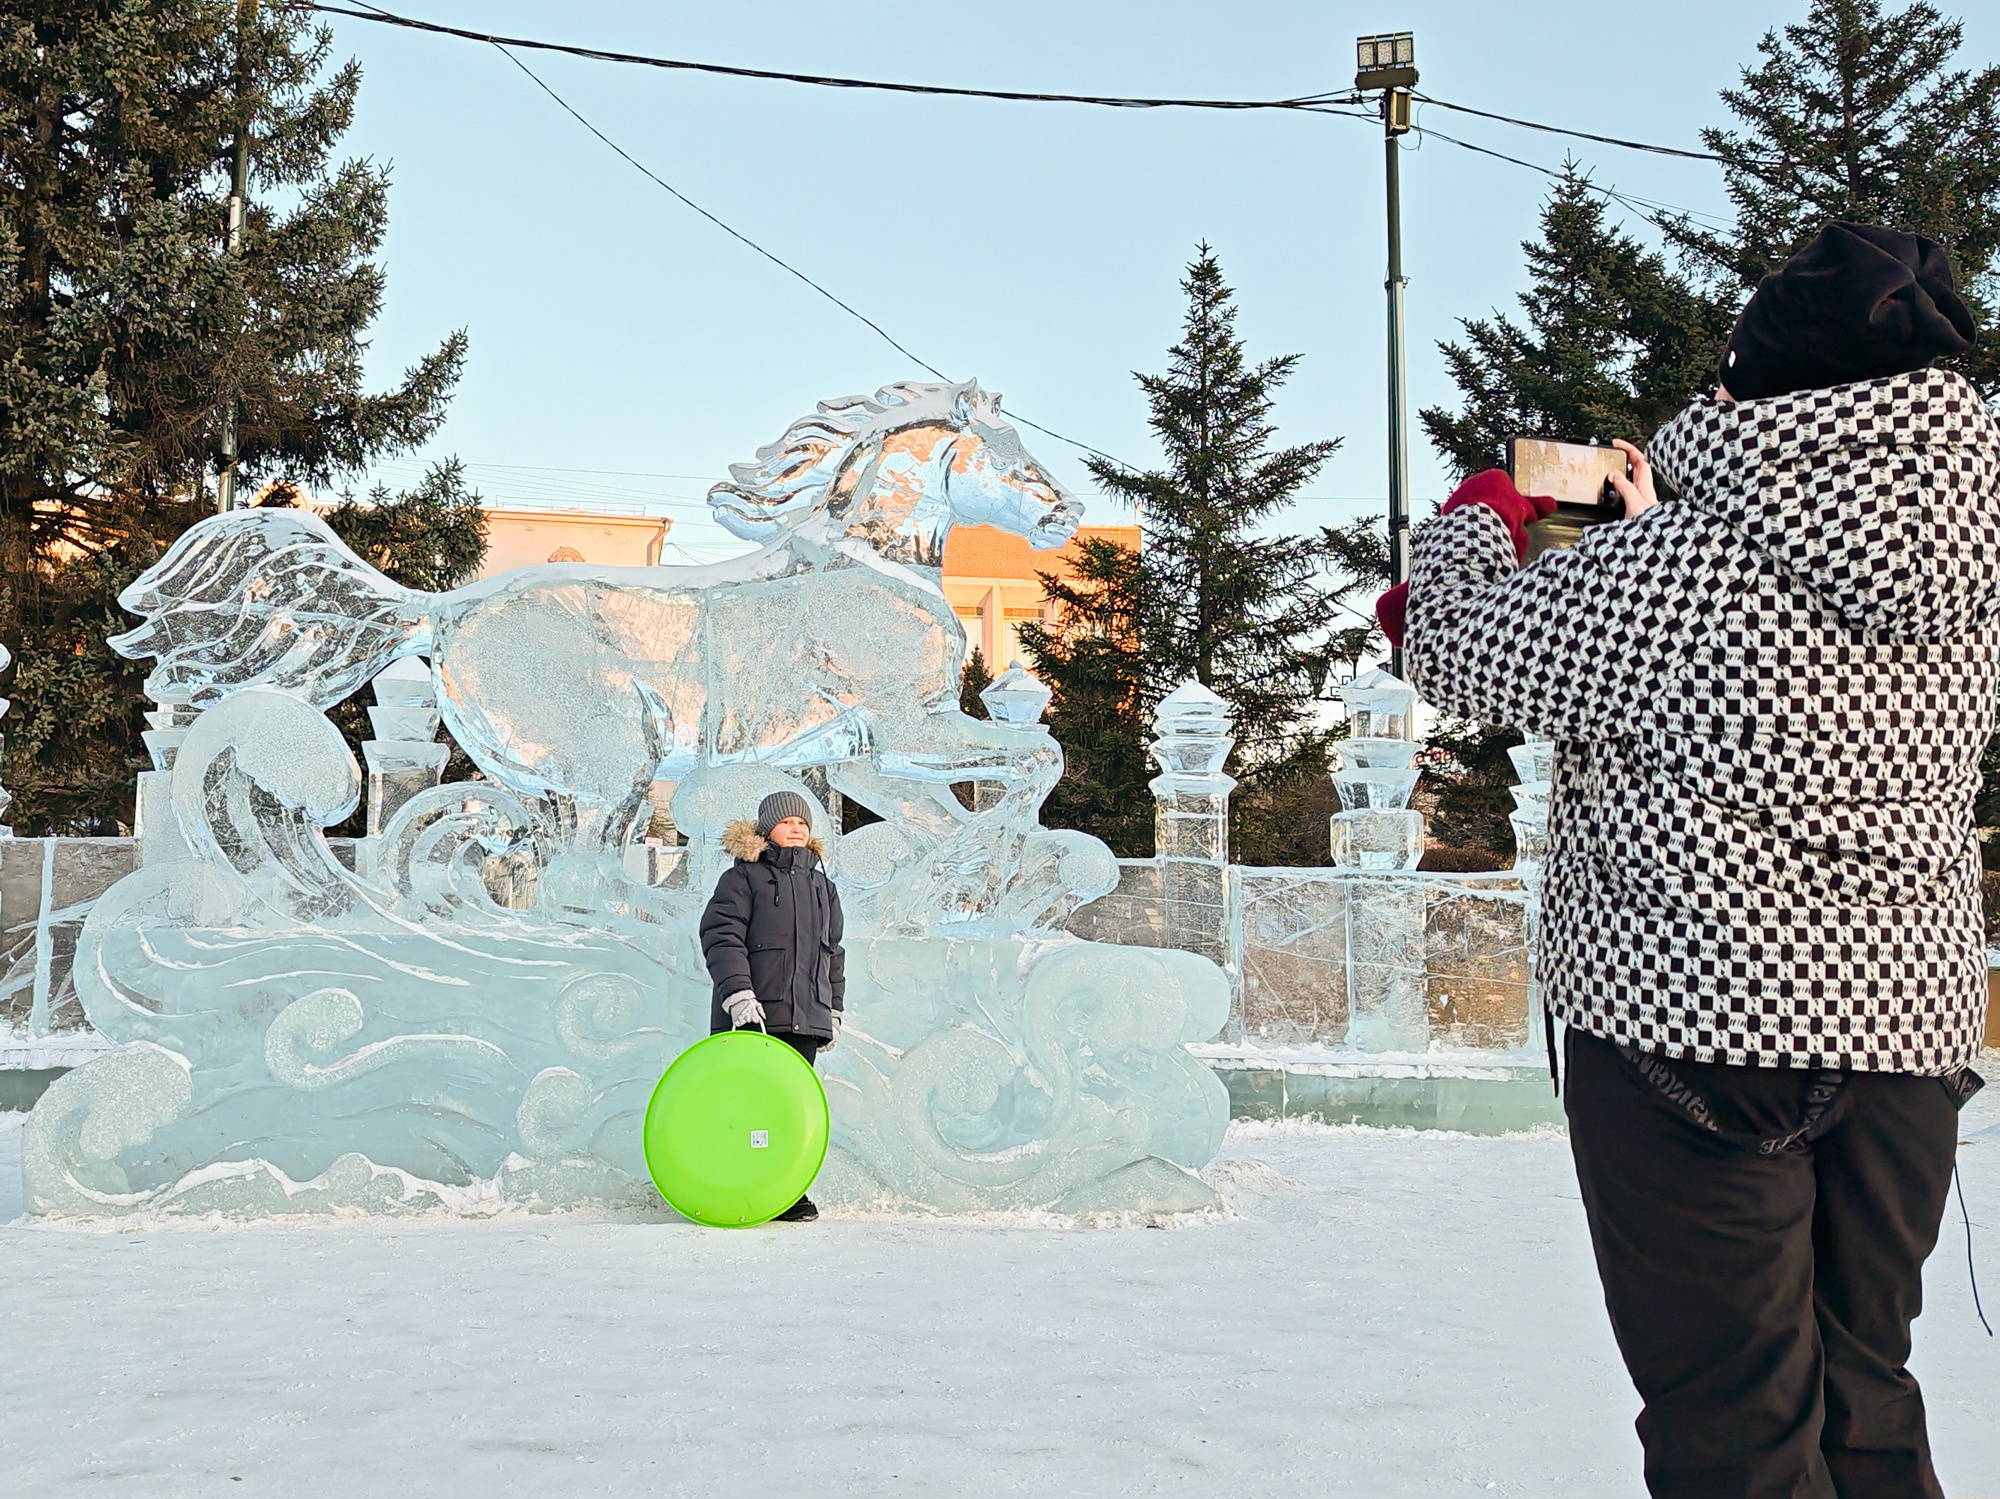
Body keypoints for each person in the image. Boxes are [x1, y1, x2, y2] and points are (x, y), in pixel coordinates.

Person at [1378, 222, 1991, 1499]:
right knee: (1862, 1395)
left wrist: (1477, 517)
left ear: (1762, 393)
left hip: (1692, 1029)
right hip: (1901, 1040)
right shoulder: (1963, 566)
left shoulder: (1671, 574)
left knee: (1736, 1433)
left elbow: (1448, 644)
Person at [698, 789, 845, 1224]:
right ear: (767, 830)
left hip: (806, 1018)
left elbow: (831, 951)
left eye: (802, 822)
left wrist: (832, 1008)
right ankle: (733, 1184)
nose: (796, 828)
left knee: (789, 1110)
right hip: (755, 1016)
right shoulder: (742, 878)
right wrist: (738, 995)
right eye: (786, 823)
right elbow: (721, 936)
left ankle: (787, 1191)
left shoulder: (823, 886)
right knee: (743, 1108)